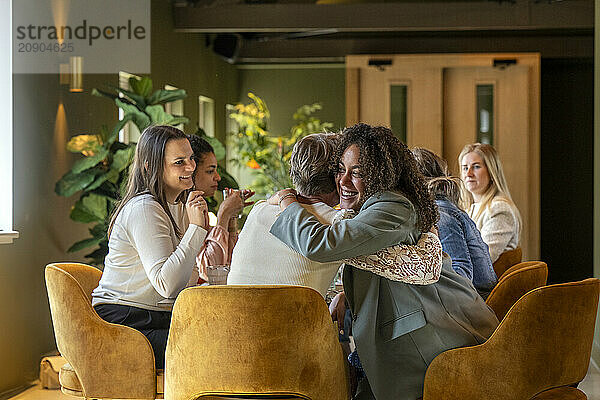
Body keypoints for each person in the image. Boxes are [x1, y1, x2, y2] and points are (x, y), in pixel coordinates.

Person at [269, 124, 499, 400]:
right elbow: (384, 263)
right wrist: (347, 294)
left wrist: (287, 201)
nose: (343, 181)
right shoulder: (371, 207)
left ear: (380, 174)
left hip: (435, 338)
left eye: (357, 172)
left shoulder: (391, 206)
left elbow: (321, 244)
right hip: (410, 334)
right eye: (340, 170)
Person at [227, 133, 443, 297]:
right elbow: (418, 268)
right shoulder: (335, 223)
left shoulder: (259, 209)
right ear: (335, 176)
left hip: (227, 342)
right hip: (289, 345)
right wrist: (429, 233)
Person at [92, 125, 209, 369]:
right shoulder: (145, 208)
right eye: (179, 162)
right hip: (123, 322)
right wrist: (197, 230)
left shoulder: (176, 206)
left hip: (153, 316)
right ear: (150, 166)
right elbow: (167, 286)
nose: (190, 167)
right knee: (209, 348)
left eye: (191, 159)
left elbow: (186, 278)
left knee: (221, 334)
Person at [412, 147, 496, 297]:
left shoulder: (440, 213)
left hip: (476, 302)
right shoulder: (440, 208)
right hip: (475, 297)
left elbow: (461, 276)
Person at [186, 135, 253, 283]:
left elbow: (228, 266)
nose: (218, 177)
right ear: (191, 172)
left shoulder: (202, 209)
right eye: (210, 171)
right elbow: (209, 270)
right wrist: (223, 215)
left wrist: (231, 219)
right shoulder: (185, 212)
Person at [459, 143, 522, 263]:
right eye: (465, 168)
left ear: (492, 171)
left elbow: (481, 259)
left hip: (487, 281)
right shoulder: (468, 209)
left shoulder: (499, 208)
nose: (468, 174)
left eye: (476, 167)